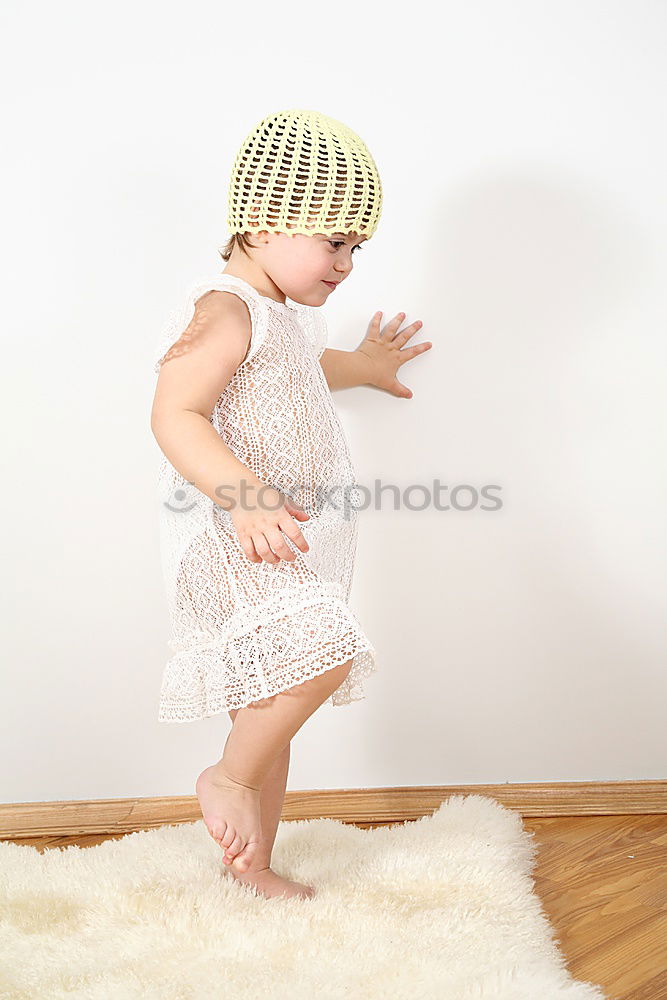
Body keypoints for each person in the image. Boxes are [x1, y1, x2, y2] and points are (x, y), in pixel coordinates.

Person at [150, 108, 432, 901]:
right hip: (236, 537)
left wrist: (366, 367)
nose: (346, 262)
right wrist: (241, 497)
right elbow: (175, 413)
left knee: (269, 707)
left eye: (355, 246)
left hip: (289, 541)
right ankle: (226, 779)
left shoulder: (277, 318)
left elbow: (305, 370)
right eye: (333, 241)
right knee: (325, 650)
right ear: (267, 220)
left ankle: (252, 868)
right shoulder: (225, 308)